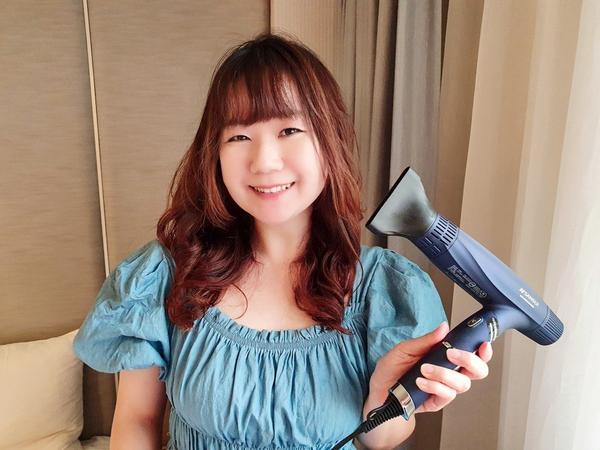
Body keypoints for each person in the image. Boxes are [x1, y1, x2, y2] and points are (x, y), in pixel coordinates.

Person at [73, 31, 493, 450]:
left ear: (328, 142)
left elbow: (378, 439)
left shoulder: (384, 289)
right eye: (239, 136)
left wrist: (385, 395)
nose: (264, 161)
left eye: (289, 129)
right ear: (214, 154)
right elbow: (137, 420)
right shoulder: (166, 274)